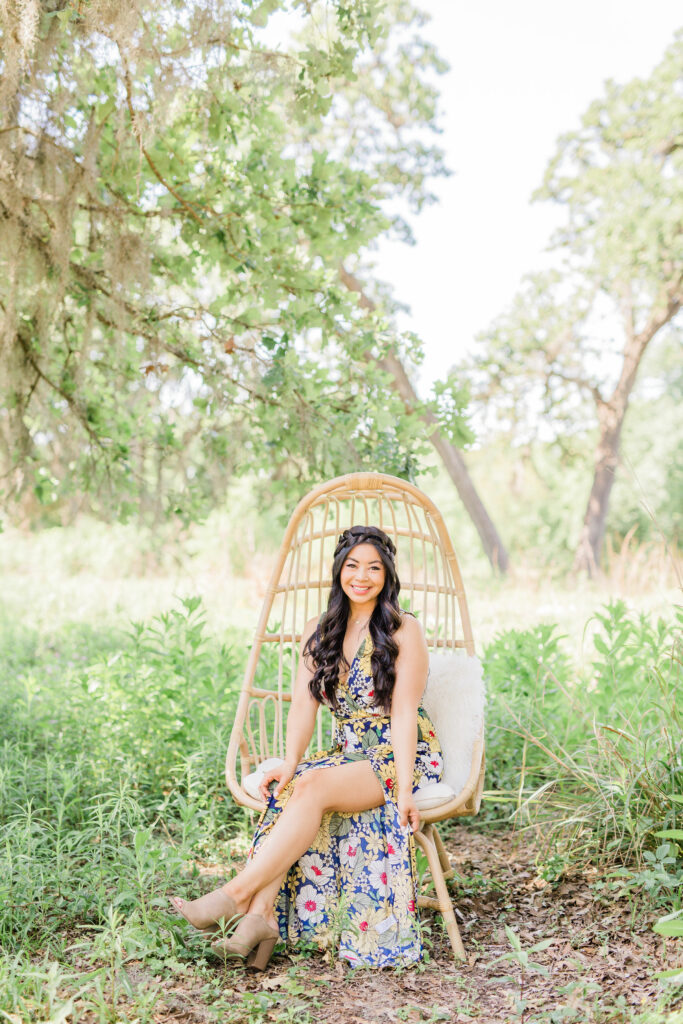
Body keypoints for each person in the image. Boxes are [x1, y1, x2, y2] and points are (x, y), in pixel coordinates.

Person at [169, 525, 444, 969]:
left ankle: (234, 895)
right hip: (348, 752)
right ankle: (258, 918)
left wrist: (407, 789)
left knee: (312, 787)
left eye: (374, 567)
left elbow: (405, 713)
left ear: (387, 574)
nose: (362, 576)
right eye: (353, 565)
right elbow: (304, 705)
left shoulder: (402, 629)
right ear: (338, 571)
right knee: (296, 786)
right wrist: (290, 762)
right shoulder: (320, 631)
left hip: (399, 752)